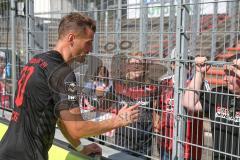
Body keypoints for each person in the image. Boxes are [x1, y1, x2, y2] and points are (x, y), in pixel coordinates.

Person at [0, 12, 139, 160]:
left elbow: (61, 118)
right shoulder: (63, 74)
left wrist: (80, 148)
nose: (90, 49)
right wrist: (118, 120)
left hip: (6, 149)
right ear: (71, 38)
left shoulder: (35, 61)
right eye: (88, 42)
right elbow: (77, 128)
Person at [152, 50, 208, 160]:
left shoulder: (201, 84)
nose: (185, 66)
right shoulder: (164, 83)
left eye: (188, 63)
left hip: (190, 144)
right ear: (172, 64)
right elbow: (157, 108)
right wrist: (157, 130)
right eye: (181, 63)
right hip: (167, 142)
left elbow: (208, 110)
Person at [182, 55, 240, 160]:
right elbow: (189, 103)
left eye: (230, 74)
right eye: (225, 74)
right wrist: (199, 73)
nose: (225, 79)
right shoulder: (219, 93)